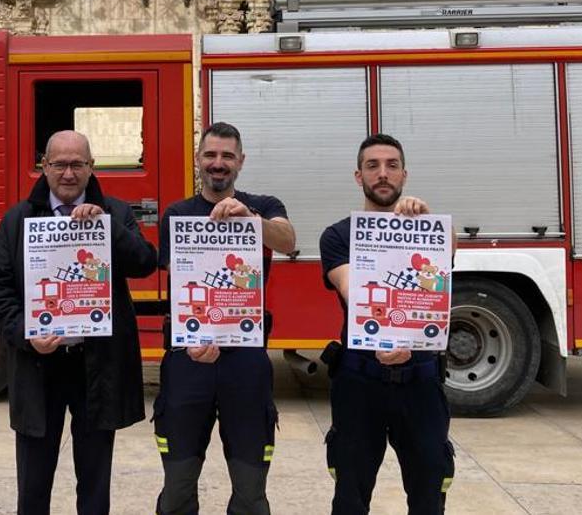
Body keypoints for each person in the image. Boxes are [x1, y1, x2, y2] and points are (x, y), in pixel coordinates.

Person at [0, 130, 157, 515]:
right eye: (59, 164)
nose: (68, 173)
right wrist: (27, 334)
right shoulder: (18, 218)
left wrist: (106, 225)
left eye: (77, 164)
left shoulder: (115, 210)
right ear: (44, 167)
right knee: (33, 481)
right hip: (38, 364)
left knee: (95, 480)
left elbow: (146, 262)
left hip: (96, 365)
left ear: (91, 167)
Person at [153, 122, 296, 515]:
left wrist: (250, 218)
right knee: (178, 487)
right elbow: (183, 284)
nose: (219, 163)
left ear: (241, 162)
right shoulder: (177, 214)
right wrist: (195, 338)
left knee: (251, 492)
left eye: (227, 156)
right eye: (211, 155)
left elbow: (287, 240)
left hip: (246, 361)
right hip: (189, 358)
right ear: (198, 160)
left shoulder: (263, 206)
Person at [319, 133, 454, 515]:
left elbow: (449, 255)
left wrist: (427, 227)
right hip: (360, 383)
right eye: (372, 166)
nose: (383, 174)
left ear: (404, 175)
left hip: (421, 382)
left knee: (430, 494)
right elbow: (351, 289)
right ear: (358, 176)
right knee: (349, 497)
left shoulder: (429, 230)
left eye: (392, 166)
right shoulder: (337, 236)